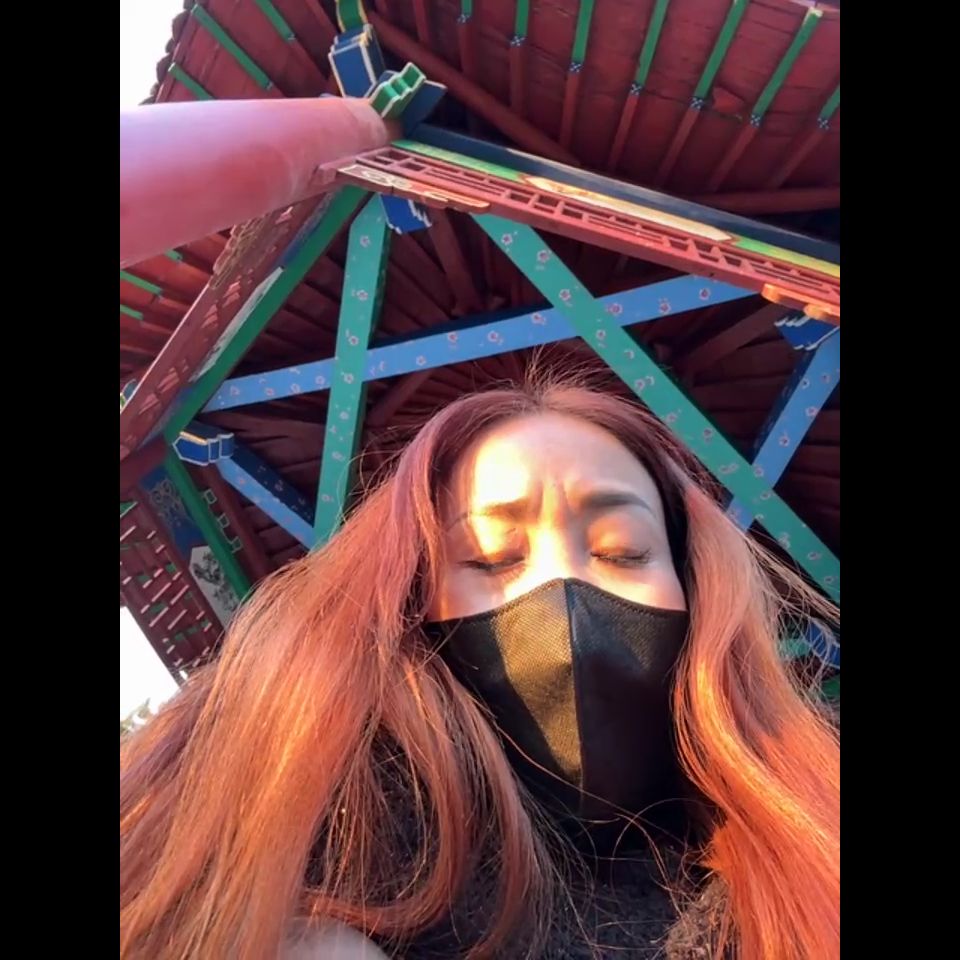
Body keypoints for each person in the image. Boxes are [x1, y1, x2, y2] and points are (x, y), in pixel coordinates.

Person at [120, 375, 840, 959]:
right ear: (408, 603)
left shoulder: (812, 848)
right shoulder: (283, 861)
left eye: (623, 551)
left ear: (695, 582)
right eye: (492, 559)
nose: (560, 590)